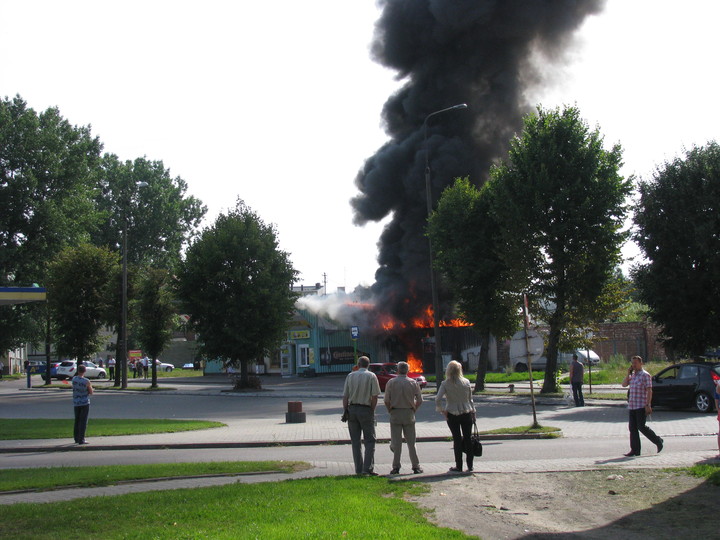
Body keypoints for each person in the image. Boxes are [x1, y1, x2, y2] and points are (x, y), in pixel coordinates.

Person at [342, 355, 381, 475]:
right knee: (370, 440)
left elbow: (345, 396)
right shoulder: (371, 376)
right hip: (366, 409)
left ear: (358, 365)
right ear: (368, 365)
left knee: (355, 441)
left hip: (352, 409)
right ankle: (367, 468)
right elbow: (375, 396)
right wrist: (372, 410)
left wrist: (346, 410)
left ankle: (358, 470)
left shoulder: (350, 376)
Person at [436, 360, 476, 472]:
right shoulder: (466, 382)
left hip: (452, 413)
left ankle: (459, 466)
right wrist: (473, 412)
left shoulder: (445, 383)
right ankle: (470, 465)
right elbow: (470, 399)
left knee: (457, 439)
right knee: (468, 439)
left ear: (448, 370)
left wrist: (442, 410)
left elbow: (437, 399)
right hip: (467, 412)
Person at [384, 361, 423, 475]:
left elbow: (386, 400)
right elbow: (420, 400)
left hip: (395, 412)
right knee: (411, 442)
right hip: (409, 412)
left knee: (396, 442)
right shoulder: (413, 383)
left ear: (397, 370)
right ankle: (416, 466)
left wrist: (390, 410)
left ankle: (396, 467)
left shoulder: (391, 382)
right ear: (408, 370)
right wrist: (414, 409)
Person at [621, 355, 663, 457]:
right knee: (632, 428)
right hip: (632, 405)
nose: (634, 365)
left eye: (635, 363)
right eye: (632, 363)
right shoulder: (633, 375)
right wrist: (628, 373)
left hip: (641, 405)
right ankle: (635, 450)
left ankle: (658, 440)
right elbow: (624, 384)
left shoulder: (645, 375)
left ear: (641, 363)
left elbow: (649, 390)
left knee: (641, 427)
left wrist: (648, 404)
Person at [72, 363, 93, 445]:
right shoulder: (86, 381)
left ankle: (76, 438)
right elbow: (91, 392)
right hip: (84, 402)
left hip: (76, 402)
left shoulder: (74, 379)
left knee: (77, 420)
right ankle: (81, 439)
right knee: (83, 421)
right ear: (84, 371)